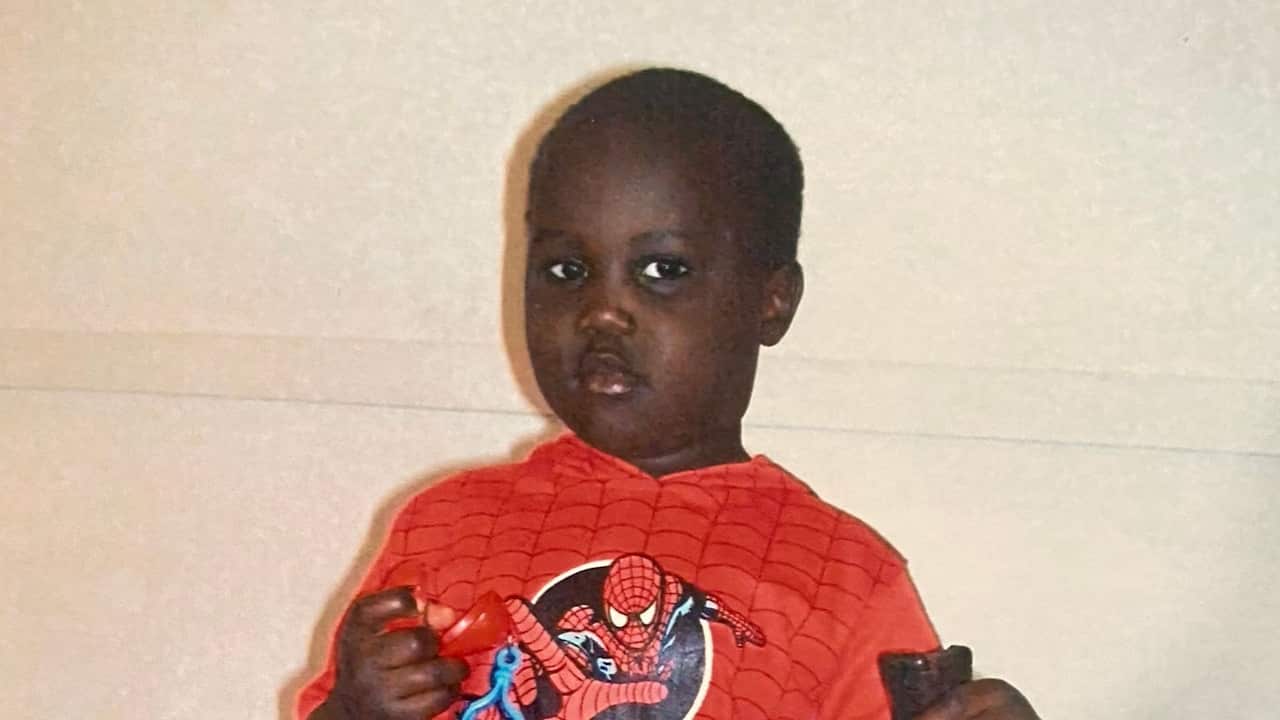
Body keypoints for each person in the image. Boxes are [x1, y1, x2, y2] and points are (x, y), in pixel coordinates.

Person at [299, 68, 1040, 720]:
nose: (602, 311)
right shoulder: (449, 526)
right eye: (565, 271)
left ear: (770, 303)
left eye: (662, 271)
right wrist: (353, 713)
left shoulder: (843, 577)